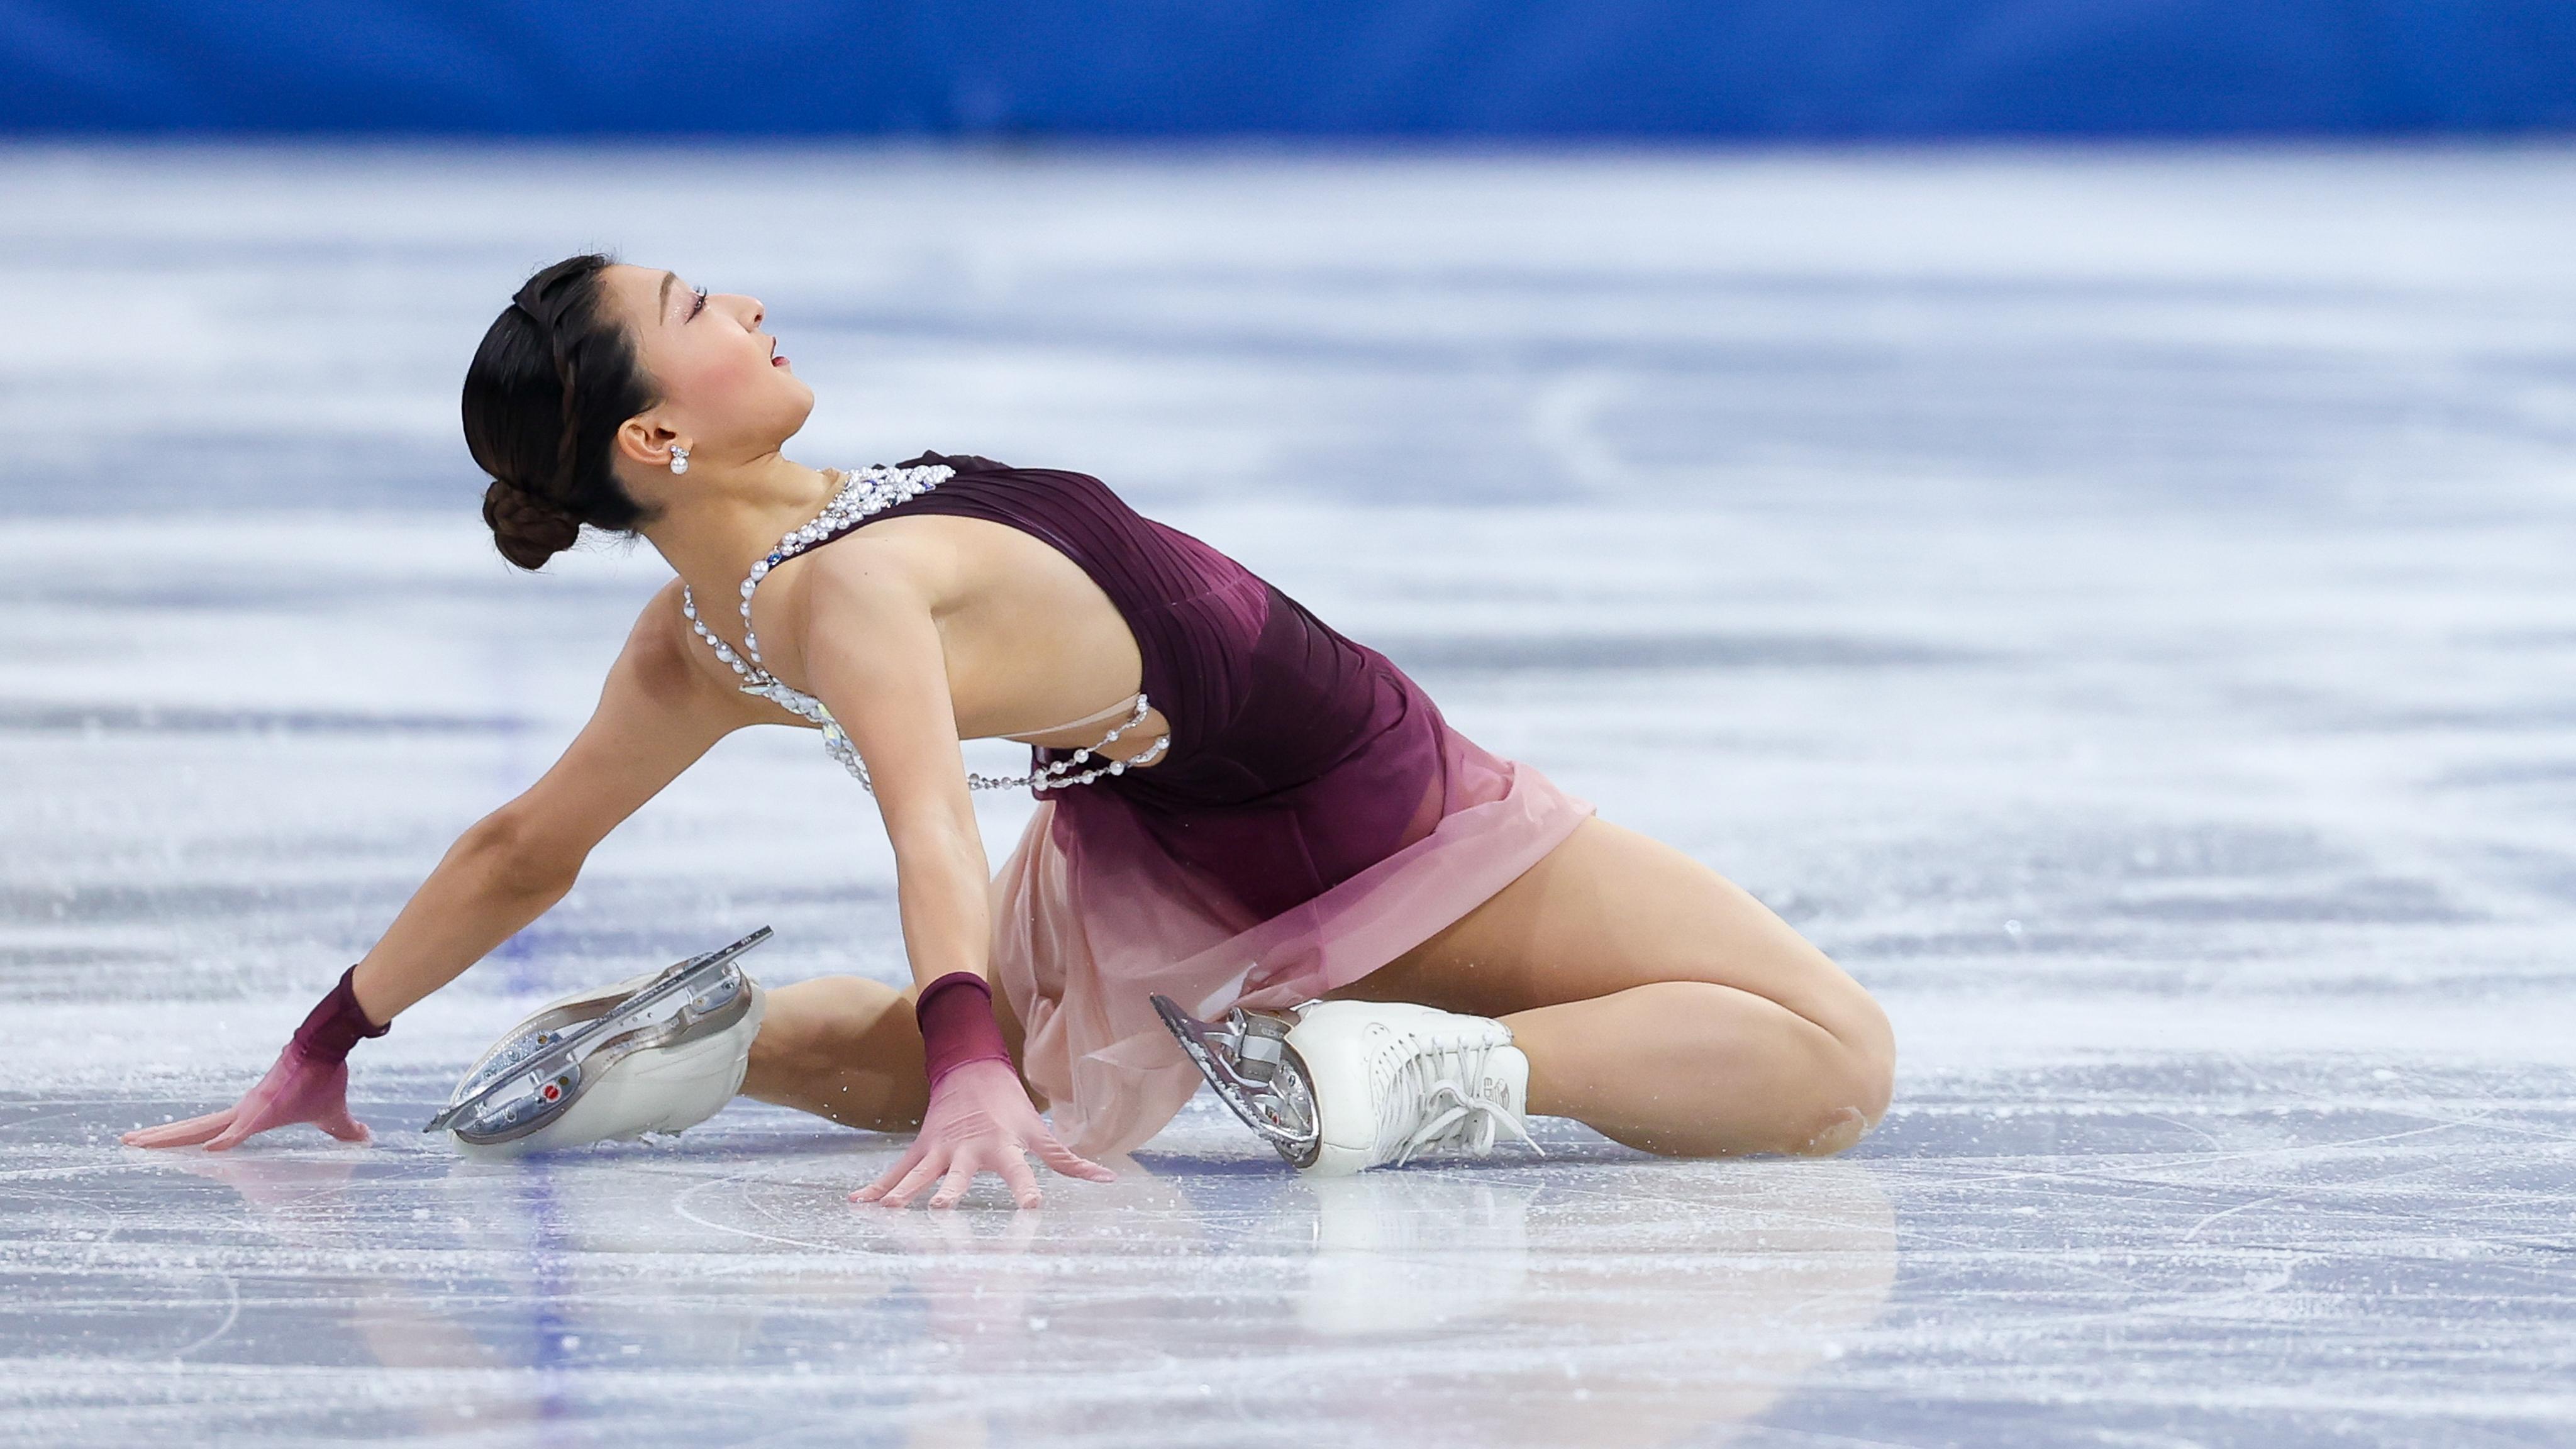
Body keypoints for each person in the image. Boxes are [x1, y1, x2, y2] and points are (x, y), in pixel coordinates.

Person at [124, 255, 1896, 1208]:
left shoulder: (707, 630)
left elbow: (534, 842)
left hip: (1136, 836)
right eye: (693, 316)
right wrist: (971, 1065)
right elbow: (919, 825)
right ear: (658, 444)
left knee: (1051, 1069)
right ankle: (1432, 1070)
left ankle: (714, 1049)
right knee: (1830, 1060)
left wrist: (326, 1043)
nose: (739, 299)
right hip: (1353, 793)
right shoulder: (851, 593)